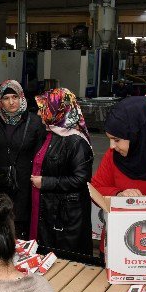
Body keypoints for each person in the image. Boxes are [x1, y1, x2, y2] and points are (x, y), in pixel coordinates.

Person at [0, 79, 45, 239]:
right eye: (6, 98)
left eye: (14, 97)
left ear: (21, 97)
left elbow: (40, 156)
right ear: (1, 101)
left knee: (20, 224)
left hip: (24, 184)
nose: (11, 102)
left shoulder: (34, 123)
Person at [31, 88, 94, 257]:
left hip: (67, 217)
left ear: (57, 111)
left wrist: (46, 182)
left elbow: (80, 179)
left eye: (43, 108)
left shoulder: (76, 141)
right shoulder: (52, 133)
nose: (38, 113)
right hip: (52, 210)